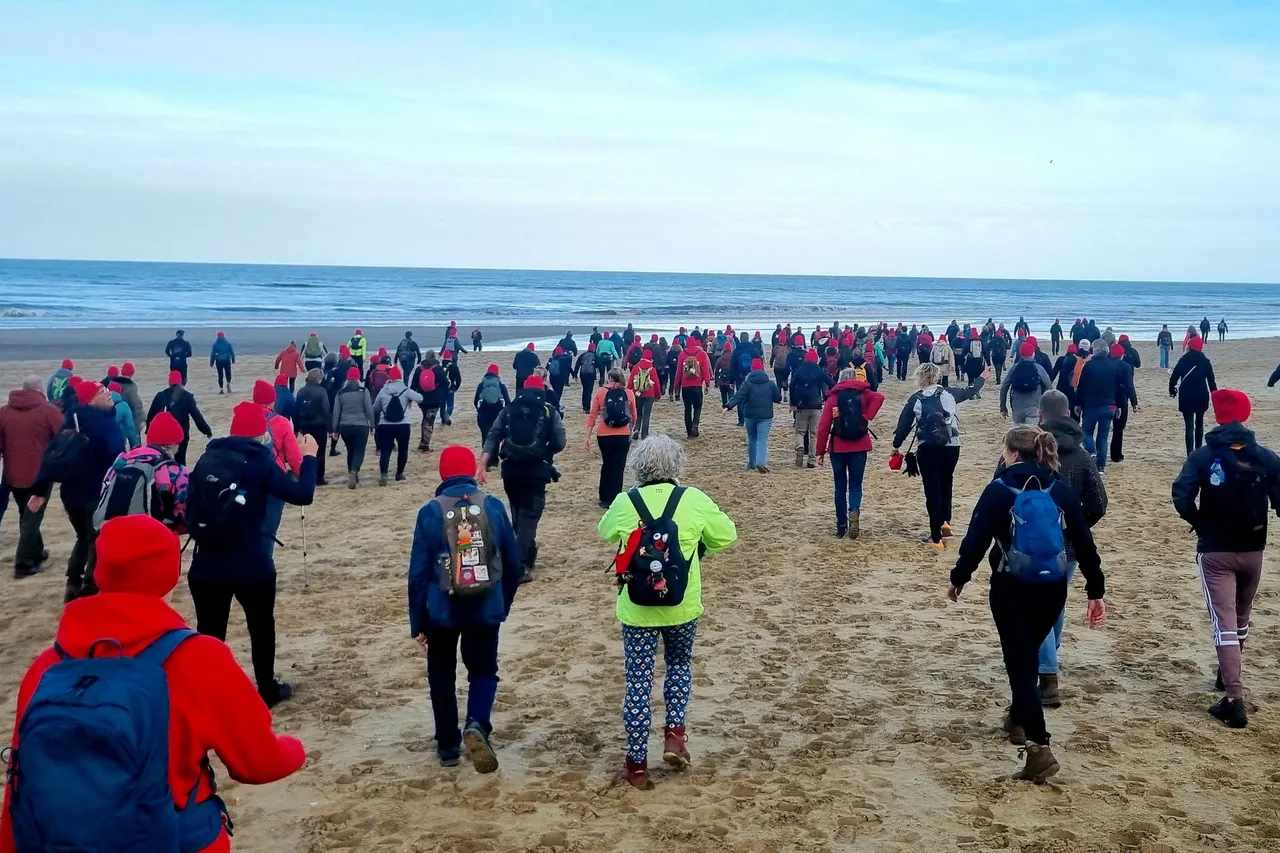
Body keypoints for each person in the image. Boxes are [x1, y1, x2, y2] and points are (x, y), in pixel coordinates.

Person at [0, 514, 306, 853]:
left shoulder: (47, 666)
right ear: (170, 576)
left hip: (61, 841)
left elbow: (19, 781)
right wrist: (296, 748)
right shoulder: (200, 657)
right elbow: (258, 765)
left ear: (100, 572)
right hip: (172, 839)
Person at [950, 425, 1107, 783]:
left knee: (1019, 665)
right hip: (1053, 587)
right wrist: (1095, 591)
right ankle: (1017, 719)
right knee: (1028, 654)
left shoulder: (998, 490)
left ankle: (1038, 746)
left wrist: (959, 578)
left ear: (1012, 453)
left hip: (1010, 586)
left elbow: (975, 540)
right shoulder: (1060, 489)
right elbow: (1085, 542)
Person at [597, 435, 737, 789]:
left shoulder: (626, 501)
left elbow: (605, 532)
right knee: (678, 666)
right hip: (682, 604)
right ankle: (675, 731)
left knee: (639, 682)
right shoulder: (693, 499)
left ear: (639, 467)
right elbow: (727, 535)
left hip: (637, 610)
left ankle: (637, 763)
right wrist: (695, 547)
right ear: (676, 465)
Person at [187, 403, 317, 707]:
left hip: (206, 560)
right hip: (250, 561)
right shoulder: (259, 459)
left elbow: (190, 506)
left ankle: (208, 693)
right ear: (263, 433)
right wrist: (309, 457)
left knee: (209, 631)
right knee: (260, 625)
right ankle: (267, 688)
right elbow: (302, 495)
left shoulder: (208, 457)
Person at [405, 445, 523, 771]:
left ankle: (447, 746)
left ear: (442, 473)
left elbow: (417, 573)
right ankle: (477, 724)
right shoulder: (494, 506)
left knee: (441, 674)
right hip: (486, 606)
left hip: (441, 611)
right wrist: (504, 603)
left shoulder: (430, 511)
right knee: (484, 670)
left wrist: (418, 622)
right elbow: (513, 564)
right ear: (472, 471)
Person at [1172, 389, 1280, 728]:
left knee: (1224, 623)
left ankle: (1234, 697)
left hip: (1216, 549)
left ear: (1216, 417)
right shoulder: (1265, 457)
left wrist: (1199, 521)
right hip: (1253, 548)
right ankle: (1226, 672)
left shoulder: (1203, 456)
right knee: (1242, 616)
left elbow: (1181, 496)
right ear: (1245, 415)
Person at [1007, 391, 1108, 707]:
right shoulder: (1082, 455)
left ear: (1040, 416)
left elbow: (1003, 493)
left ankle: (1047, 669)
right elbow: (1098, 504)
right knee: (1055, 603)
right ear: (1069, 413)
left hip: (1033, 544)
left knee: (1039, 607)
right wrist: (1076, 527)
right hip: (1069, 546)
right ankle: (1047, 658)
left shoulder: (1028, 453)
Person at [31, 380, 126, 601]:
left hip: (70, 495)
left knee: (83, 537)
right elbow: (118, 456)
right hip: (95, 492)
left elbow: (52, 457)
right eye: (102, 392)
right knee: (97, 540)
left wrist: (39, 490)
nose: (109, 393)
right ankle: (90, 588)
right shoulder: (105, 424)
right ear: (91, 399)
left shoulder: (70, 422)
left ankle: (73, 583)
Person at [479, 376, 565, 583]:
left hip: (510, 469)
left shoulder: (509, 410)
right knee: (529, 518)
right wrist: (546, 452)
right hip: (536, 471)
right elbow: (560, 441)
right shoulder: (549, 411)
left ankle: (527, 554)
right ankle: (520, 566)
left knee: (518, 513)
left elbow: (493, 435)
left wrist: (482, 465)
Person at [892, 363, 986, 548]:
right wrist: (983, 377)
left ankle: (936, 538)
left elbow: (903, 424)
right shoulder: (948, 393)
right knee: (946, 482)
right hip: (952, 445)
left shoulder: (916, 399)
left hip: (928, 447)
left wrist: (896, 446)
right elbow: (970, 391)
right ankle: (945, 522)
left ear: (920, 377)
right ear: (936, 376)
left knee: (932, 490)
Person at [0, 376, 63, 578]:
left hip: (12, 473)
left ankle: (36, 550)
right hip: (39, 475)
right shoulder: (48, 411)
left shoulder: (4, 412)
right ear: (40, 390)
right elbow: (63, 439)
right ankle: (24, 563)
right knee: (32, 517)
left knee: (25, 512)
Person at [816, 367, 885, 538]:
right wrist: (866, 416)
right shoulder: (864, 394)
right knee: (855, 484)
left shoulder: (833, 398)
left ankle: (841, 524)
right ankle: (854, 509)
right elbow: (880, 397)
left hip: (838, 447)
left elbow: (824, 426)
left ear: (840, 379)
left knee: (839, 487)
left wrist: (820, 451)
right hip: (860, 446)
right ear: (855, 378)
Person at [97, 411, 190, 533]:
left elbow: (104, 492)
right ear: (172, 444)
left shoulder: (122, 461)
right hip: (156, 536)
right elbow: (183, 513)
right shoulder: (177, 471)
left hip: (116, 533)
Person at [586, 368, 638, 507]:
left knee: (607, 465)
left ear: (609, 378)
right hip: (623, 434)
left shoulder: (601, 392)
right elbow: (634, 415)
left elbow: (593, 415)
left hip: (604, 434)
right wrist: (631, 430)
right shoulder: (628, 393)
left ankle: (604, 498)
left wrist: (588, 436)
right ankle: (615, 499)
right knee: (618, 467)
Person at [725, 358, 781, 473]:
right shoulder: (770, 384)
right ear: (762, 369)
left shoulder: (747, 383)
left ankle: (751, 463)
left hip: (750, 415)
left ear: (751, 370)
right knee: (762, 439)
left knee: (752, 439)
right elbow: (778, 398)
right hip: (766, 416)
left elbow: (739, 396)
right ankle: (760, 462)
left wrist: (728, 405)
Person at [146, 371, 212, 466]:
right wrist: (206, 430)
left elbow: (151, 415)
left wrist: (149, 430)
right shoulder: (187, 397)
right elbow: (197, 416)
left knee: (160, 462)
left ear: (169, 382)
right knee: (180, 461)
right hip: (180, 435)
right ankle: (181, 478)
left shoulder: (160, 395)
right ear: (181, 382)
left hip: (160, 435)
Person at [373, 366, 422, 485]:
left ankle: (384, 474)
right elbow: (420, 398)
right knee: (403, 450)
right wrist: (408, 399)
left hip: (385, 425)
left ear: (389, 378)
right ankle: (399, 474)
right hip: (403, 424)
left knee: (385, 451)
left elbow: (375, 408)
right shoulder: (405, 390)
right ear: (400, 378)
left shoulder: (384, 390)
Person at [1170, 335, 1217, 455]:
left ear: (1189, 347)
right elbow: (1211, 381)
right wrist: (1215, 396)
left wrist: (1172, 389)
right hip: (1201, 394)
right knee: (1199, 423)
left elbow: (1174, 376)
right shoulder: (1205, 362)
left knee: (1189, 425)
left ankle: (1190, 453)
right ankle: (1199, 451)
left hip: (1186, 395)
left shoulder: (1184, 359)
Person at [331, 367, 374, 488]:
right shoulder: (364, 391)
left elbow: (336, 412)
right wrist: (373, 425)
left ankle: (353, 474)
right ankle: (354, 471)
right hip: (361, 425)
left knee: (350, 451)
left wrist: (335, 429)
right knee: (359, 450)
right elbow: (369, 409)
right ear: (358, 378)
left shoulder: (341, 393)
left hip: (345, 426)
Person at [790, 348, 833, 469]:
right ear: (815, 360)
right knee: (814, 434)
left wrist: (793, 402)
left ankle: (800, 447)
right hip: (816, 405)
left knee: (800, 431)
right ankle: (812, 460)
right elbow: (831, 384)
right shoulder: (819, 371)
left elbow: (792, 386)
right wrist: (827, 396)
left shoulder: (799, 371)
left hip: (801, 405)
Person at [292, 369, 333, 486]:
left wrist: (297, 427)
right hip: (319, 426)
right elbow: (326, 410)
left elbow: (296, 410)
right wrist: (330, 428)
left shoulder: (301, 391)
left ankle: (306, 475)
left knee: (306, 452)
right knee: (320, 452)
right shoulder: (321, 391)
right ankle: (319, 478)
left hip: (305, 426)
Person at [1000, 342, 1052, 426]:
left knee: (1019, 435)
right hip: (1033, 407)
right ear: (1033, 353)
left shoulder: (1014, 368)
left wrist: (1003, 406)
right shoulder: (1038, 368)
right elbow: (1049, 387)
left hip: (1017, 408)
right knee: (1032, 434)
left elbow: (1004, 387)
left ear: (1021, 353)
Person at [1109, 344, 1140, 465]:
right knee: (1118, 428)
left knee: (1104, 429)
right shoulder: (1125, 366)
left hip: (1107, 398)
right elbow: (1129, 385)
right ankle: (1116, 455)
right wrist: (1134, 402)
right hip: (1121, 400)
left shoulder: (1107, 364)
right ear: (1122, 355)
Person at [412, 351, 447, 453]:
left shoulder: (419, 369)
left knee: (425, 419)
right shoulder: (438, 369)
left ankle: (423, 441)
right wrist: (443, 396)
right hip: (435, 399)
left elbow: (413, 384)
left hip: (422, 399)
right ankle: (425, 445)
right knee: (429, 421)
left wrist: (410, 398)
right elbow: (445, 383)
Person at [679, 340, 712, 438]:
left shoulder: (682, 354)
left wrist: (676, 385)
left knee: (687, 409)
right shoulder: (702, 354)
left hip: (685, 386)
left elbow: (678, 371)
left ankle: (689, 433)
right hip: (697, 386)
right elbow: (705, 370)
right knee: (698, 407)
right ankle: (695, 425)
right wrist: (707, 383)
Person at [474, 364, 510, 445]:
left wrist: (480, 410)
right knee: (496, 438)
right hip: (497, 415)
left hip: (483, 415)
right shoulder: (501, 386)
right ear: (497, 373)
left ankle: (485, 455)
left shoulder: (481, 385)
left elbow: (475, 401)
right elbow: (508, 402)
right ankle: (494, 456)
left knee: (485, 438)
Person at [629, 349, 660, 440]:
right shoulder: (652, 369)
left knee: (638, 414)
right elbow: (656, 383)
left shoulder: (636, 367)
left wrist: (629, 390)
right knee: (646, 415)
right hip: (649, 395)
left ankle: (636, 430)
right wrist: (658, 395)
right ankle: (644, 435)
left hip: (637, 394)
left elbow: (631, 381)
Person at [112, 362, 145, 431]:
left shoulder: (112, 383)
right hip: (129, 416)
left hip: (113, 415)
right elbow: (137, 403)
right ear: (132, 373)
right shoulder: (132, 387)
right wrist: (142, 419)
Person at [108, 382, 140, 449]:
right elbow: (130, 426)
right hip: (119, 440)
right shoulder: (123, 405)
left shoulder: (100, 403)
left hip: (102, 441)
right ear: (119, 392)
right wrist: (134, 443)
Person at [575, 343, 598, 413]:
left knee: (585, 389)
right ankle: (587, 407)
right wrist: (602, 377)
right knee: (589, 390)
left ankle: (584, 405)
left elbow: (577, 365)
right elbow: (601, 366)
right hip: (591, 375)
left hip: (583, 374)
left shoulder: (582, 355)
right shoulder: (595, 356)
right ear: (594, 349)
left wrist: (575, 374)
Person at [441, 349, 463, 425]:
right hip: (451, 388)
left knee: (442, 405)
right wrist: (456, 387)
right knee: (450, 405)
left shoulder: (440, 367)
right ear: (450, 357)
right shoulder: (454, 367)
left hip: (442, 389)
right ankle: (446, 416)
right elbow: (459, 379)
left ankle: (443, 419)